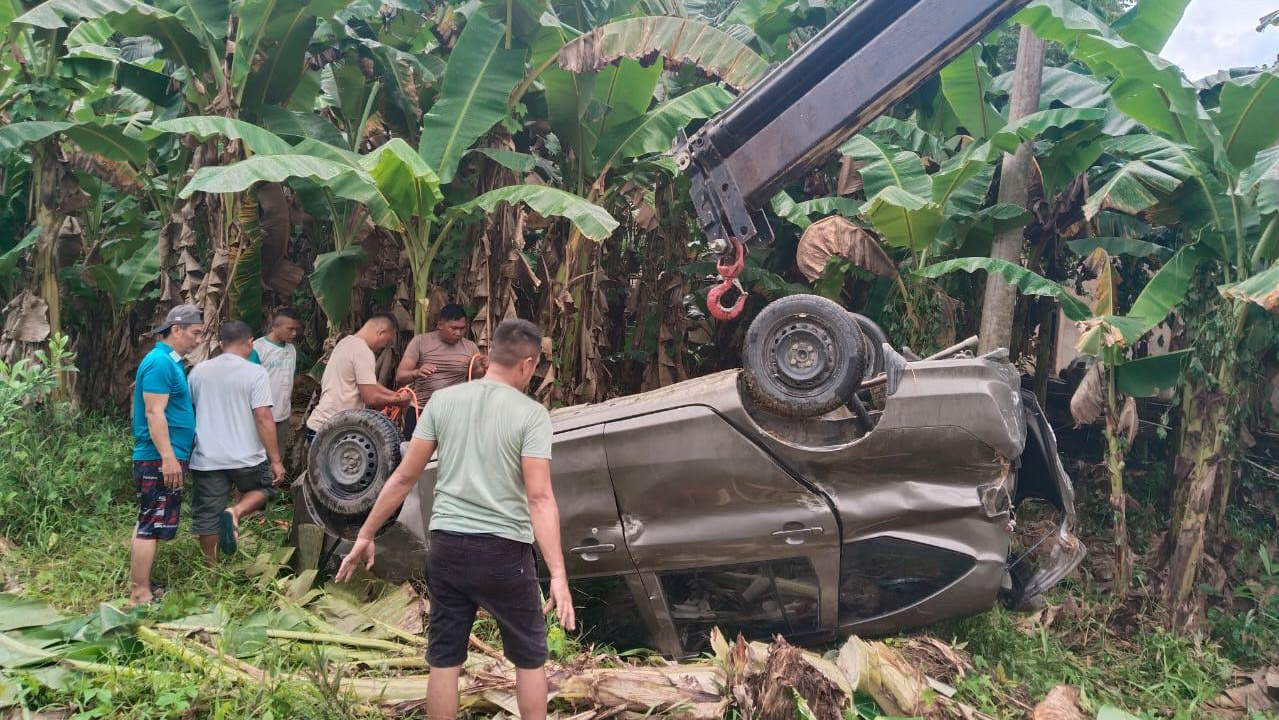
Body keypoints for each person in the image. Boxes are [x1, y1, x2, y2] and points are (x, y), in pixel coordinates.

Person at [337, 319, 574, 720]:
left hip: (447, 547)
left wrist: (366, 533)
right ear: (528, 364)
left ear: (490, 356)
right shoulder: (532, 415)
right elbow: (539, 498)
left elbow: (403, 477)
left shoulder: (443, 402)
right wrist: (559, 575)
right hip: (505, 553)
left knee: (444, 659)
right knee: (530, 659)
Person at [188, 321, 286, 564]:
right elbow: (263, 416)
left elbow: (189, 410)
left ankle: (211, 567)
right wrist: (275, 460)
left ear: (221, 344)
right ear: (250, 343)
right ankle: (236, 511)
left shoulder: (199, 371)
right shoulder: (255, 373)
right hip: (247, 457)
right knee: (266, 489)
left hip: (207, 457)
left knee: (208, 516)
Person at [129, 304, 204, 606]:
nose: (199, 340)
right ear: (176, 330)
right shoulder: (159, 362)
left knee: (149, 519)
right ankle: (139, 594)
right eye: (195, 333)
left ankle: (142, 583)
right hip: (158, 457)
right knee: (150, 523)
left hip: (163, 455)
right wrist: (168, 458)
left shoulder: (170, 362)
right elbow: (154, 412)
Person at [304, 314, 410, 442]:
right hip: (332, 429)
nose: (384, 346)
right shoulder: (363, 351)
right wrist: (398, 401)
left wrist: (394, 395)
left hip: (319, 425)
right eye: (387, 342)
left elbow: (370, 383)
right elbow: (370, 397)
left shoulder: (346, 342)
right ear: (381, 332)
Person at [394, 303, 486, 405]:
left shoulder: (470, 347)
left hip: (455, 409)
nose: (458, 333)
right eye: (454, 328)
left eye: (462, 328)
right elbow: (400, 376)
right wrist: (416, 373)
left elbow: (476, 379)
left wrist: (485, 367)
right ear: (440, 325)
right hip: (422, 408)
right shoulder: (421, 341)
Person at [250, 307, 302, 465]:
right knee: (257, 458)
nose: (294, 333)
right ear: (275, 327)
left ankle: (275, 480)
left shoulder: (291, 349)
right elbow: (248, 382)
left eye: (296, 329)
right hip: (261, 415)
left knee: (278, 456)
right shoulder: (258, 348)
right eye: (290, 329)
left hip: (283, 413)